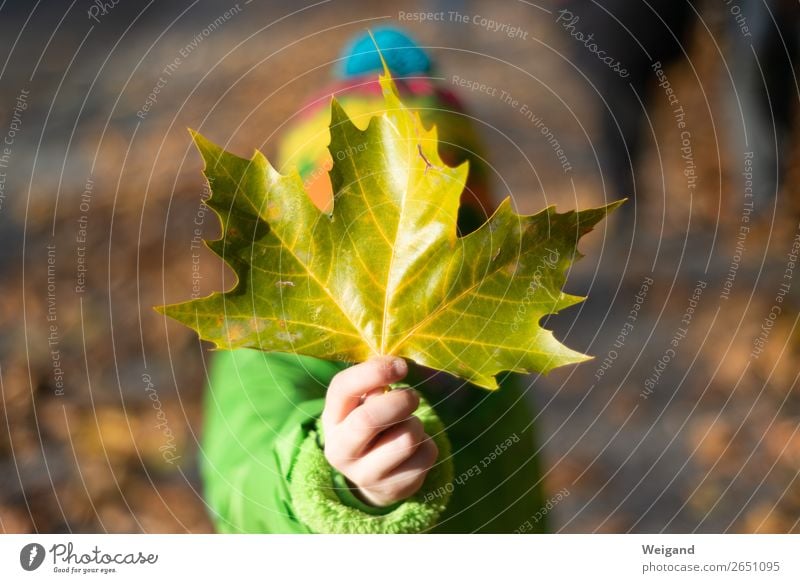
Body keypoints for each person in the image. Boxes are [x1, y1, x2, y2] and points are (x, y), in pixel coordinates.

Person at [200, 28, 549, 533]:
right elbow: (241, 477)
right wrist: (334, 482)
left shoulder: (488, 321)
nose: (399, 261)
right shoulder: (272, 335)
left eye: (442, 230)